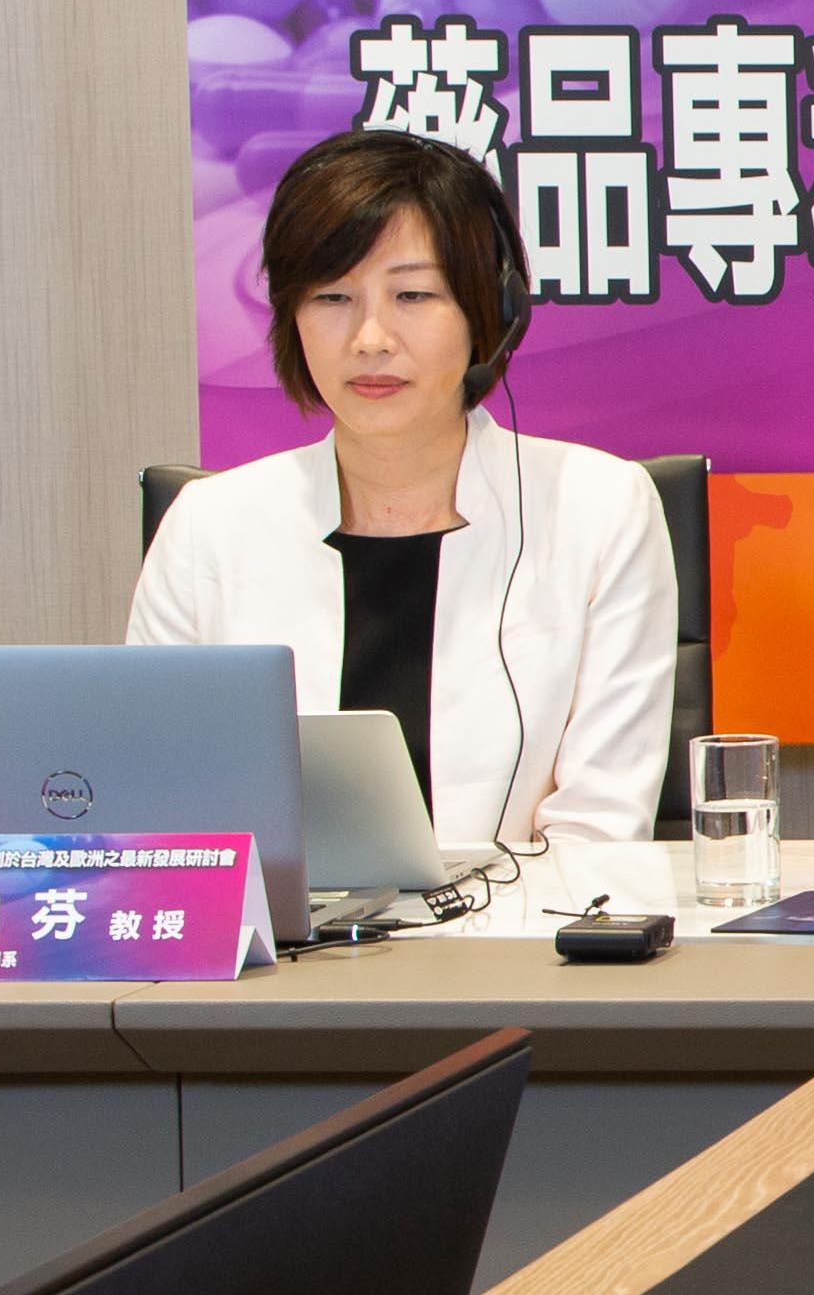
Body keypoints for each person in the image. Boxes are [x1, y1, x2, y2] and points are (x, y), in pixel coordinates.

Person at [128, 127, 677, 847]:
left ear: (491, 313)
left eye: (413, 294)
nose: (370, 338)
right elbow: (162, 815)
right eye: (332, 296)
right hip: (279, 923)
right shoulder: (208, 527)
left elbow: (599, 830)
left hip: (530, 919)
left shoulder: (599, 509)